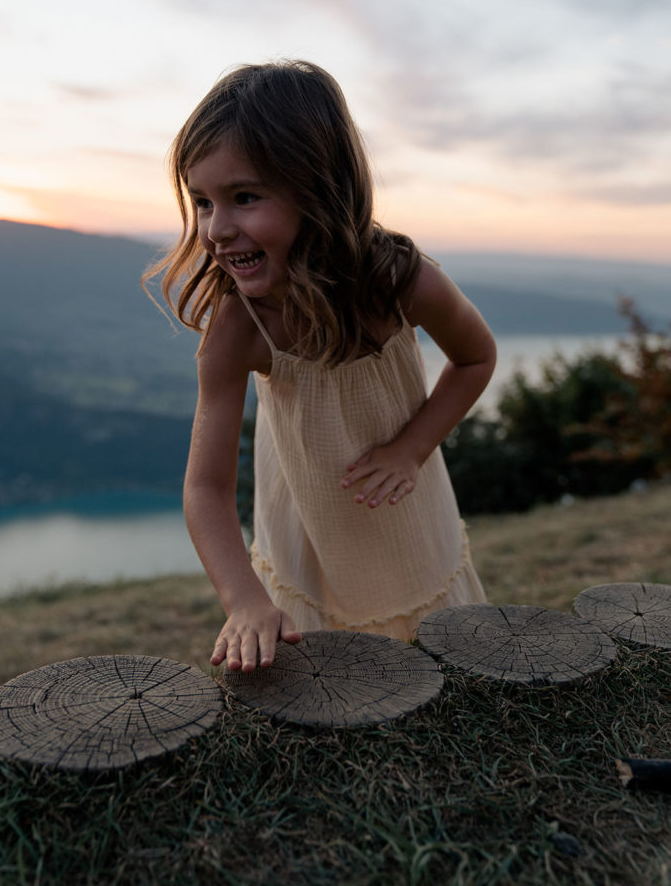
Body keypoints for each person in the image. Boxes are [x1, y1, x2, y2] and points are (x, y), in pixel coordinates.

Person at [148, 60, 496, 674]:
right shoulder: (239, 329)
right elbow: (206, 489)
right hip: (307, 545)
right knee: (327, 695)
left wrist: (410, 449)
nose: (216, 229)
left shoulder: (400, 281)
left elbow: (475, 357)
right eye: (201, 202)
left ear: (319, 188)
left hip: (410, 527)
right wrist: (245, 601)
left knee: (443, 679)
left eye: (244, 197)